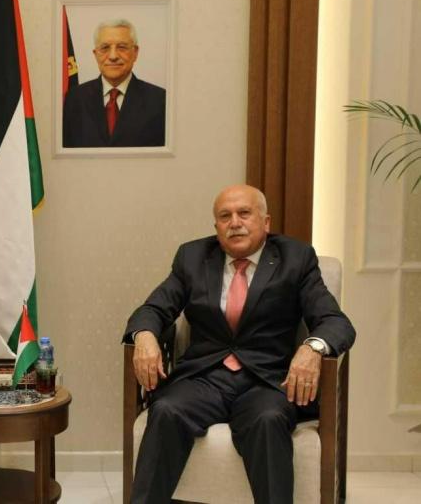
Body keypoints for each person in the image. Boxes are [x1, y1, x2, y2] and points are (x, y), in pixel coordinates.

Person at [123, 184, 355, 504]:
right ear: (216, 226)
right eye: (225, 216)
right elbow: (152, 309)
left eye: (244, 213)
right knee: (165, 410)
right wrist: (145, 336)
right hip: (205, 378)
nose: (235, 222)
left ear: (265, 221)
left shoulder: (296, 258)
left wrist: (312, 347)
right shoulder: (192, 257)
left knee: (268, 420)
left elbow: (335, 321)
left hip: (268, 381)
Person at [63, 19, 166, 148]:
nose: (113, 56)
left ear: (135, 53)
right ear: (95, 54)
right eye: (105, 48)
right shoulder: (74, 98)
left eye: (122, 47)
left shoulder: (160, 100)